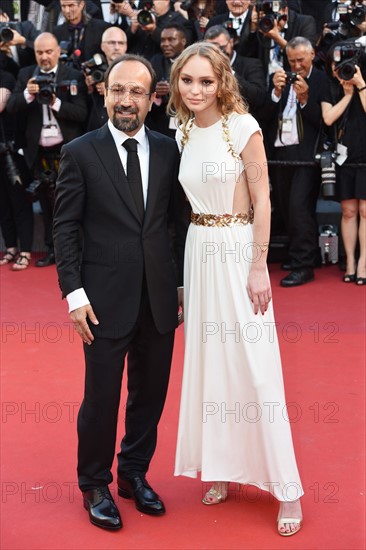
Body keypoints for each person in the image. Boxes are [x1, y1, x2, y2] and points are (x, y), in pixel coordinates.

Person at [168, 42, 303, 536]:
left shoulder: (242, 127)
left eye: (205, 81)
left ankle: (288, 490)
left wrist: (258, 264)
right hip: (198, 249)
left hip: (237, 245)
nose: (196, 89)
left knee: (256, 367)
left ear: (221, 81)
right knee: (210, 365)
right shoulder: (182, 129)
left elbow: (264, 197)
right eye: (187, 80)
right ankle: (221, 468)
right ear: (177, 82)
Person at [53, 53, 186, 530]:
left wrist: (180, 284)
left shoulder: (170, 151)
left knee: (150, 395)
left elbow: (176, 226)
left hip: (158, 298)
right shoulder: (81, 152)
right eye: (117, 90)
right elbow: (64, 228)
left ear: (152, 99)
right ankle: (94, 483)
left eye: (136, 92)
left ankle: (132, 473)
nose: (125, 100)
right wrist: (74, 294)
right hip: (102, 301)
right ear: (104, 93)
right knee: (102, 398)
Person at [6, 32, 88, 267]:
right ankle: (53, 251)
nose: (44, 57)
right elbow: (11, 106)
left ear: (58, 52)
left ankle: (80, 253)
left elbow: (81, 114)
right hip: (39, 152)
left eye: (48, 51)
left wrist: (54, 102)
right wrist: (27, 95)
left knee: (74, 202)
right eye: (39, 52)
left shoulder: (71, 75)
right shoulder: (25, 75)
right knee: (46, 205)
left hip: (68, 151)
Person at [264, 36, 327, 286]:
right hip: (281, 154)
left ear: (312, 55)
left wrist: (305, 99)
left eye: (300, 60)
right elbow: (264, 115)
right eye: (291, 61)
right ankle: (301, 253)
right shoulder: (280, 78)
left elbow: (323, 122)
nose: (296, 66)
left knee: (299, 208)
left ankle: (304, 264)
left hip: (306, 157)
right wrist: (276, 92)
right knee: (285, 207)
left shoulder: (322, 80)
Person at [321, 42, 366, 285]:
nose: (342, 68)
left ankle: (363, 263)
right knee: (348, 211)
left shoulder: (363, 82)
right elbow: (328, 118)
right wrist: (347, 95)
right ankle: (349, 261)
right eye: (336, 65)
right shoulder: (330, 87)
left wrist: (360, 86)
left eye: (346, 63)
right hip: (345, 157)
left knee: (365, 212)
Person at [84, 26, 128, 131]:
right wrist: (89, 89)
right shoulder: (94, 69)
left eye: (121, 43)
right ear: (102, 46)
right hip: (97, 128)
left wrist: (111, 89)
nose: (117, 47)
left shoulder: (136, 69)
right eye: (112, 43)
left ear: (126, 46)